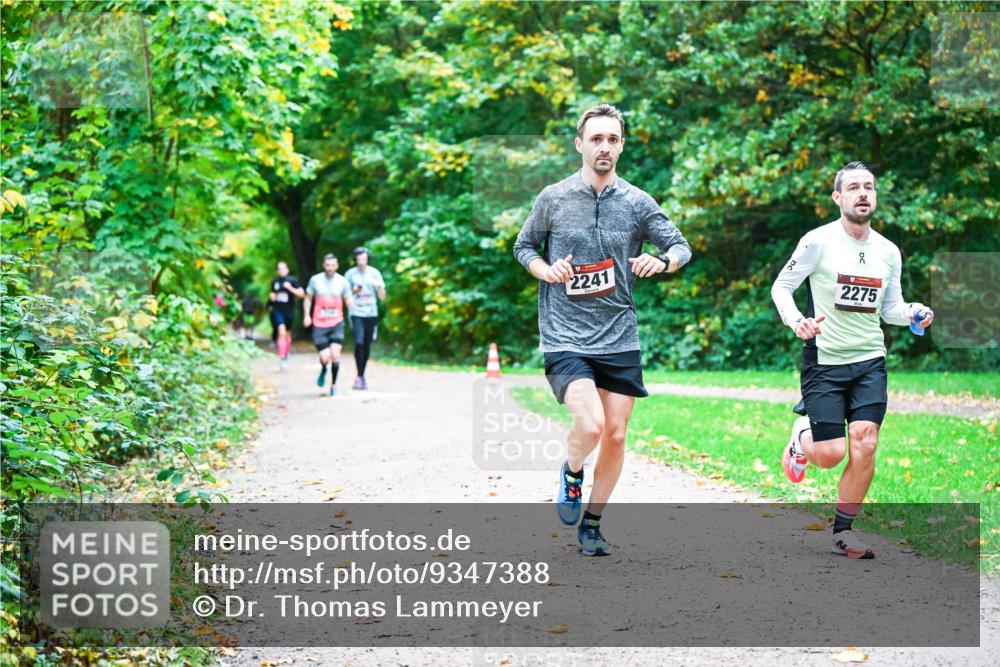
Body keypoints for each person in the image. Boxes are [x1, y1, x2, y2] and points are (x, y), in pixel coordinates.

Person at [512, 104, 692, 556]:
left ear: (622, 145)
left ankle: (592, 524)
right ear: (580, 144)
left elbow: (680, 246)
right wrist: (544, 269)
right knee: (590, 426)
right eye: (596, 139)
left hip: (619, 335)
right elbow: (523, 245)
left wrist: (663, 260)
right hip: (564, 334)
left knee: (615, 434)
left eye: (612, 139)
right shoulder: (553, 197)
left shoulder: (636, 202)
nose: (604, 146)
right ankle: (572, 472)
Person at [771, 160, 933, 559]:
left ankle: (843, 532)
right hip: (825, 360)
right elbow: (782, 287)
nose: (863, 193)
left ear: (874, 196)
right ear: (838, 197)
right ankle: (800, 440)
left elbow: (890, 308)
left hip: (869, 361)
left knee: (866, 442)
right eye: (854, 187)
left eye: (869, 187)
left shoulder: (888, 251)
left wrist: (913, 311)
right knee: (830, 455)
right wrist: (797, 323)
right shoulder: (817, 242)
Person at [303, 253, 354, 396]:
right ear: (324, 266)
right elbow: (308, 298)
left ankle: (334, 386)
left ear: (337, 266)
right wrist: (307, 315)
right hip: (319, 323)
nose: (330, 268)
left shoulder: (343, 281)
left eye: (332, 265)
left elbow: (348, 297)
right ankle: (324, 367)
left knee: (335, 355)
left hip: (336, 322)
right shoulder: (315, 280)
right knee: (325, 357)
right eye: (327, 265)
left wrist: (350, 302)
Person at [344, 247, 386, 390]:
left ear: (367, 259)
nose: (361, 262)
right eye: (359, 259)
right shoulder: (350, 275)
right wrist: (354, 291)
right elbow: (345, 296)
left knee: (367, 345)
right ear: (355, 260)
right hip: (356, 313)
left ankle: (361, 375)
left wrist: (377, 285)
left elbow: (383, 297)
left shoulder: (374, 273)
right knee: (359, 342)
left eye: (364, 259)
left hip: (371, 313)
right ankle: (359, 376)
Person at [268, 261, 305, 369]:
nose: (281, 271)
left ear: (287, 270)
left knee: (287, 335)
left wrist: (290, 288)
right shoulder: (275, 281)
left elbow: (302, 294)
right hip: (277, 310)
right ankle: (282, 357)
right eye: (279, 269)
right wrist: (272, 297)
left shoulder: (292, 280)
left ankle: (285, 352)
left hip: (289, 311)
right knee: (281, 332)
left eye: (283, 268)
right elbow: (272, 294)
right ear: (277, 271)